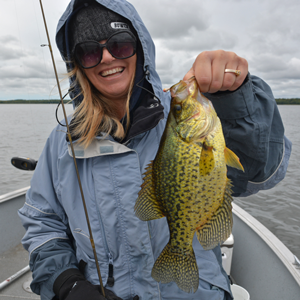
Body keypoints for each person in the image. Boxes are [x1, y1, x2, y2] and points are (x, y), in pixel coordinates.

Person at [18, 0, 292, 300]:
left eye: (120, 45)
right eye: (89, 51)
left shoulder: (181, 118)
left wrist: (234, 96)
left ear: (140, 49)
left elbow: (258, 172)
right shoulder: (61, 143)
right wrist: (65, 283)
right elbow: (42, 224)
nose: (107, 58)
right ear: (77, 65)